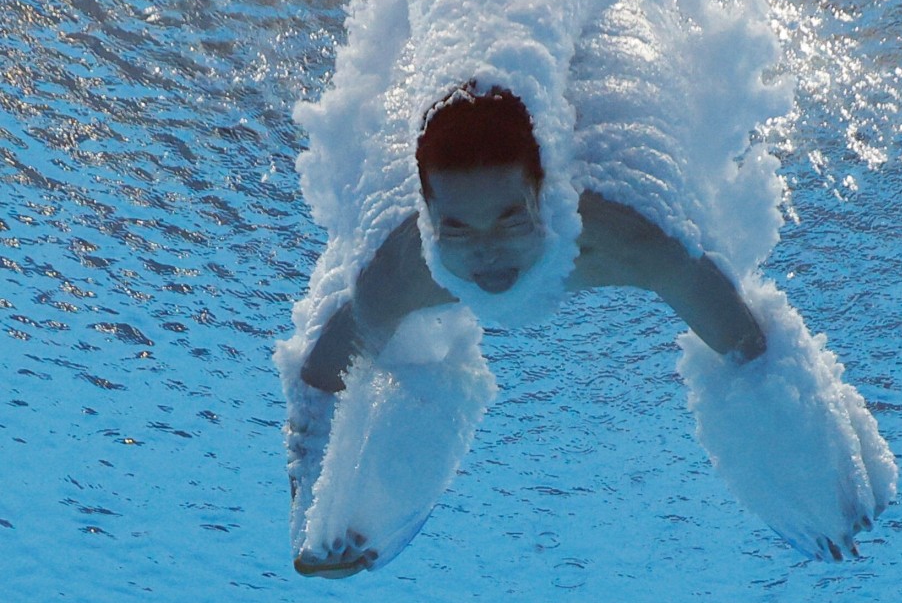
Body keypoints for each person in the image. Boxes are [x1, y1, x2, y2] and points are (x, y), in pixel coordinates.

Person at [300, 86, 766, 398]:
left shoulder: (635, 245)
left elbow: (752, 355)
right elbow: (319, 388)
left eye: (511, 222)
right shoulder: (397, 278)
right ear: (427, 216)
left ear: (546, 199)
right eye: (457, 229)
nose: (487, 250)